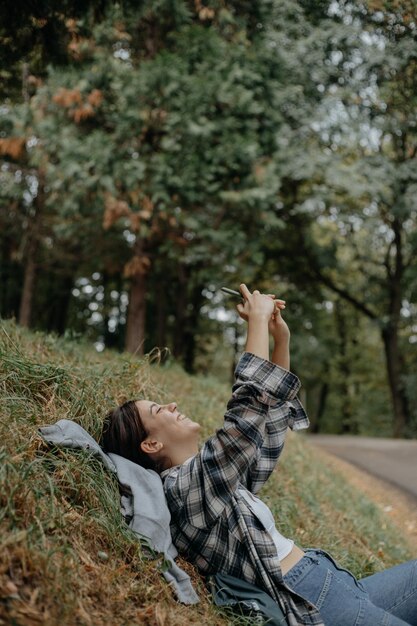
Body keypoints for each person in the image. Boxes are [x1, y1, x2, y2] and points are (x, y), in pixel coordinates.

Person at [101, 284, 417, 626]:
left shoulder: (217, 485)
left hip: (330, 580)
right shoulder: (183, 491)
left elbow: (266, 429)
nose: (172, 405)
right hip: (310, 599)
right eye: (158, 409)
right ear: (151, 445)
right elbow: (245, 420)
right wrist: (256, 320)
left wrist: (280, 339)